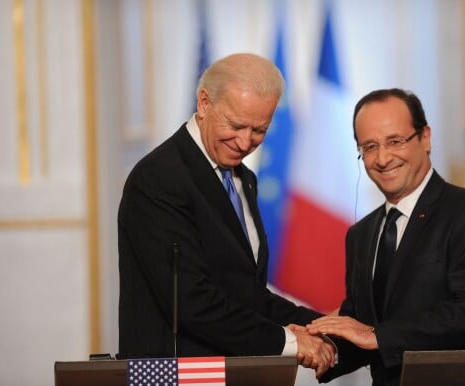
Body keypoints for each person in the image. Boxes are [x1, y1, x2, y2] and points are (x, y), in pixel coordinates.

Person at [117, 53, 334, 375]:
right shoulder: (160, 177)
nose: (245, 142)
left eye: (259, 130)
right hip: (175, 376)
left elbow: (245, 293)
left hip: (235, 372)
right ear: (204, 103)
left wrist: (323, 325)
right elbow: (190, 302)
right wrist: (289, 342)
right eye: (235, 125)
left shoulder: (243, 179)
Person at [306, 88, 465, 386]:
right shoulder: (360, 234)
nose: (383, 158)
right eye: (370, 146)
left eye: (395, 141)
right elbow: (362, 328)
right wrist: (323, 347)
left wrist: (376, 335)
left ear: (425, 138)